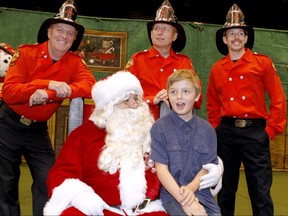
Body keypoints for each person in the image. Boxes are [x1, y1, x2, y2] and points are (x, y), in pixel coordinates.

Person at [0, 0, 96, 215]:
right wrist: (47, 84)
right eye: (59, 30)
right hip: (8, 124)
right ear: (49, 32)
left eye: (70, 33)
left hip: (37, 130)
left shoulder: (75, 63)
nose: (64, 36)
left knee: (48, 179)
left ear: (74, 39)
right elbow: (10, 92)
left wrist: (53, 93)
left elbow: (90, 86)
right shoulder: (26, 53)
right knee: (5, 182)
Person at [43, 71, 168, 216]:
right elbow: (61, 173)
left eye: (137, 98)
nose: (134, 105)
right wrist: (80, 196)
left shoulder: (153, 133)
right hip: (100, 209)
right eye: (126, 100)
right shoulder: (84, 135)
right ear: (109, 107)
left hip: (148, 210)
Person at [206, 4, 286, 216]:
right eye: (231, 33)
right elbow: (212, 103)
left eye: (240, 33)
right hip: (226, 134)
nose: (236, 38)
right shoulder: (217, 68)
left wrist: (269, 131)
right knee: (225, 190)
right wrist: (216, 129)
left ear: (246, 37)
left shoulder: (262, 63)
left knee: (260, 191)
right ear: (224, 39)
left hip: (255, 133)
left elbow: (278, 98)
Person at [150, 69, 221, 216]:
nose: (179, 97)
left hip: (202, 194)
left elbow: (207, 167)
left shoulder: (208, 130)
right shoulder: (159, 127)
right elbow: (161, 170)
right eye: (173, 92)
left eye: (186, 91)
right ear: (168, 95)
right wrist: (185, 200)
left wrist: (191, 189)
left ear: (197, 96)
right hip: (172, 195)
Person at [125, 0, 202, 120]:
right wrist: (152, 99)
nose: (160, 32)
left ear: (175, 36)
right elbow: (124, 95)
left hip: (175, 123)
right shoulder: (138, 60)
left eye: (165, 29)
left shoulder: (184, 62)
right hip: (142, 123)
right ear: (151, 34)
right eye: (156, 28)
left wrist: (174, 96)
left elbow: (197, 99)